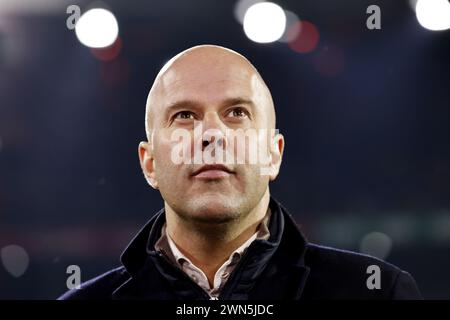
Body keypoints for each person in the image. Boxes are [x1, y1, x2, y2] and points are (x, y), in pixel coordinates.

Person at [59, 45, 421, 300]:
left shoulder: (377, 292)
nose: (212, 134)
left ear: (272, 155)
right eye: (184, 115)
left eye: (237, 113)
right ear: (150, 163)